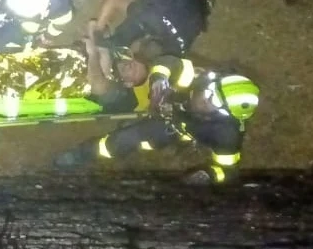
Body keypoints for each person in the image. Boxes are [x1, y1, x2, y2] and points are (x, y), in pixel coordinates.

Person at [53, 31, 260, 184]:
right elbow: (170, 63)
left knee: (135, 140)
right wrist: (160, 79)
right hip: (169, 101)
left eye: (213, 102)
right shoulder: (202, 78)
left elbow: (228, 170)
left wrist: (210, 175)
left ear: (223, 114)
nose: (204, 98)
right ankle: (82, 153)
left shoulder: (227, 135)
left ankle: (94, 155)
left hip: (176, 127)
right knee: (121, 139)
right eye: (210, 91)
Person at [93, 0, 212, 58]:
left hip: (201, 7)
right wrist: (97, 32)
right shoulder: (145, 16)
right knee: (133, 24)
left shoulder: (178, 53)